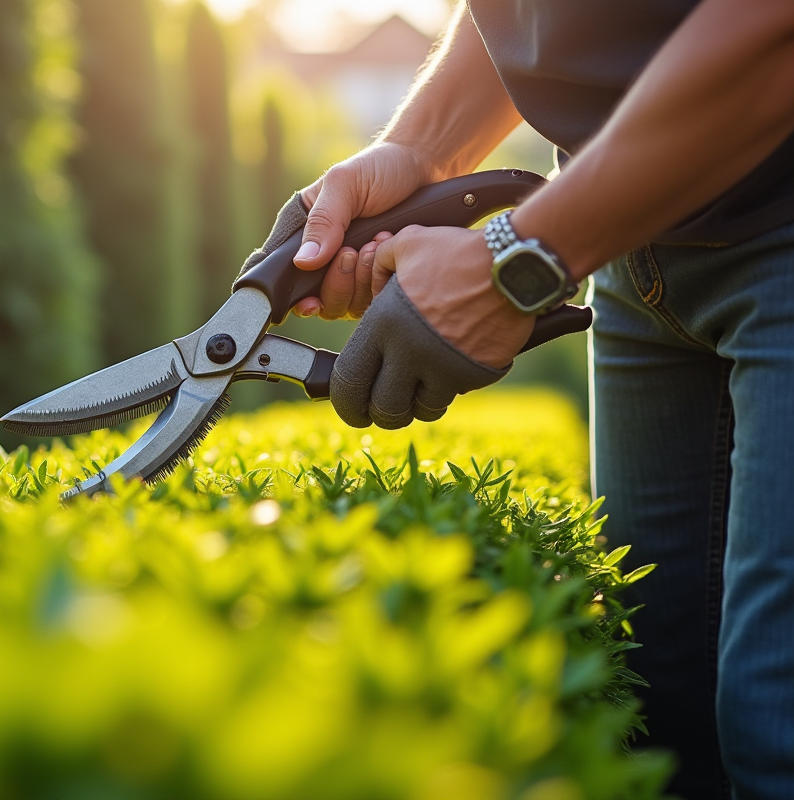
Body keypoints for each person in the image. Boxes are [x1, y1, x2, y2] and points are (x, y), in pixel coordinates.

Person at [242, 2, 794, 797]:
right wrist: (421, 147)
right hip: (629, 242)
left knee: (773, 733)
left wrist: (524, 258)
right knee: (657, 713)